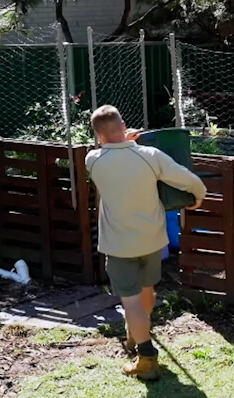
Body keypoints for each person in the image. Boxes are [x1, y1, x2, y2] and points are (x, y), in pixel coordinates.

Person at [85, 105, 207, 381]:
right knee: (146, 290)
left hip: (118, 245)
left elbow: (109, 152)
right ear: (124, 125)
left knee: (130, 302)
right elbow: (188, 180)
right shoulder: (150, 156)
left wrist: (122, 142)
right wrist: (198, 195)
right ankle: (138, 332)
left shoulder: (93, 160)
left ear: (98, 135)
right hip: (152, 241)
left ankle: (146, 356)